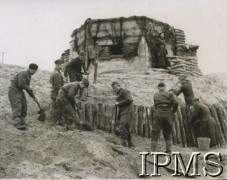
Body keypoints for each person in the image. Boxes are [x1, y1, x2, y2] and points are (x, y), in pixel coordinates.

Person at [8, 63, 38, 130]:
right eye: (34, 71)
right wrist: (28, 87)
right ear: (31, 69)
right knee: (17, 106)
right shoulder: (23, 73)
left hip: (19, 91)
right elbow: (21, 84)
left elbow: (27, 88)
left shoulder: (28, 76)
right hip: (14, 90)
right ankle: (17, 124)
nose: (34, 73)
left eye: (35, 71)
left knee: (24, 105)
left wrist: (33, 96)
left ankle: (22, 122)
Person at [151, 82, 178, 153]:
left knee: (155, 131)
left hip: (158, 112)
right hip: (168, 113)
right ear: (165, 87)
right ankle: (168, 149)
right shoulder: (170, 94)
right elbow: (176, 103)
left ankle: (153, 149)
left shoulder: (155, 95)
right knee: (167, 131)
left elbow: (155, 104)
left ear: (158, 88)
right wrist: (173, 111)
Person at [111, 81, 134, 147]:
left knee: (122, 126)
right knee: (126, 127)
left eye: (115, 87)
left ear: (119, 86)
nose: (114, 89)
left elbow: (129, 99)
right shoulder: (119, 94)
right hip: (123, 112)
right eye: (113, 88)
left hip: (128, 111)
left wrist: (118, 103)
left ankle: (123, 144)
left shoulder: (124, 91)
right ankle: (130, 144)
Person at [49, 59, 64, 125]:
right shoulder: (57, 74)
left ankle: (55, 120)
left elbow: (51, 82)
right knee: (57, 107)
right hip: (57, 93)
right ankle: (56, 121)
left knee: (55, 106)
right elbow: (57, 86)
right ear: (58, 65)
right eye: (62, 65)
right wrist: (60, 94)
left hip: (54, 92)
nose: (63, 66)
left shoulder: (55, 72)